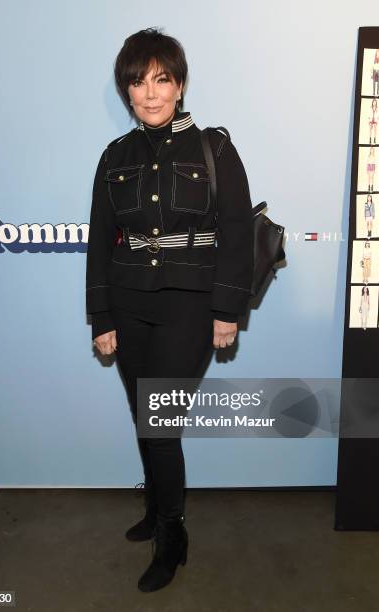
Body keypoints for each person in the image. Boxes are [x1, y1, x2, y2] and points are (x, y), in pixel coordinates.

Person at [85, 27, 254, 592]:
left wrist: (228, 309)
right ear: (126, 91)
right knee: (144, 412)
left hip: (190, 305)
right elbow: (101, 239)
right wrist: (102, 317)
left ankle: (173, 535)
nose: (151, 93)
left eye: (162, 79)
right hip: (129, 302)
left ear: (179, 85)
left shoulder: (215, 148)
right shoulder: (115, 156)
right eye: (138, 82)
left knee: (161, 421)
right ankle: (156, 508)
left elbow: (235, 231)